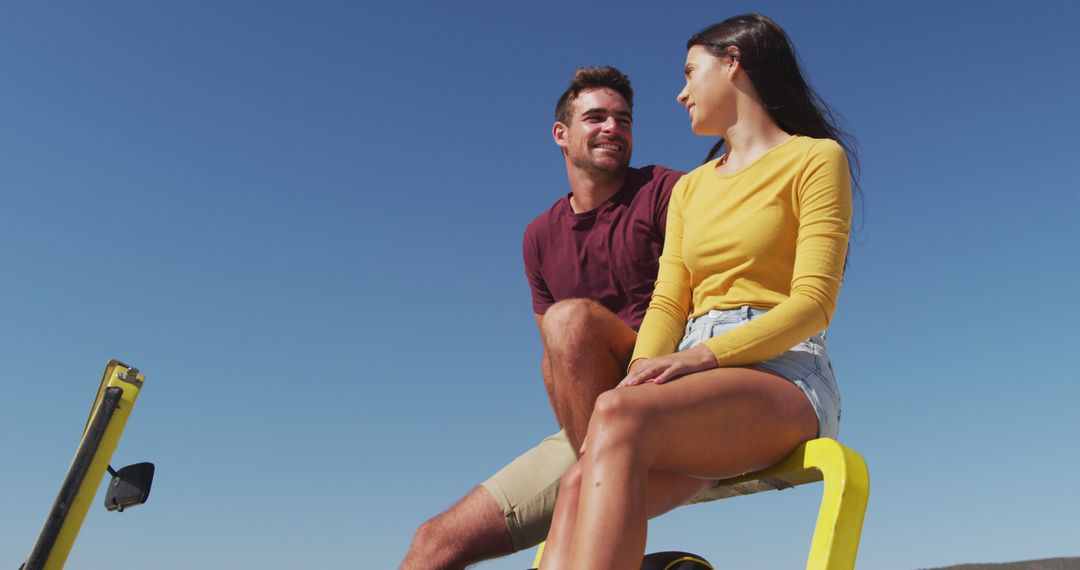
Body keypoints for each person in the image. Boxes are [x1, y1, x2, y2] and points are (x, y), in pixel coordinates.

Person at [538, 14, 857, 569]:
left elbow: (814, 304)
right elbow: (668, 303)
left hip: (782, 374)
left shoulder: (814, 159)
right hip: (693, 375)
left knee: (618, 419)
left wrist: (703, 357)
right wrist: (640, 377)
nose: (681, 92)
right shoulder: (691, 189)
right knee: (575, 483)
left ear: (733, 64)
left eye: (690, 72)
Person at [400, 66, 684, 569]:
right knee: (432, 545)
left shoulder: (666, 192)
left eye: (623, 119)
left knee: (570, 322)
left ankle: (599, 505)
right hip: (588, 428)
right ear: (561, 134)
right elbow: (556, 362)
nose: (612, 129)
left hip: (669, 396)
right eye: (595, 117)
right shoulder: (538, 237)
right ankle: (597, 482)